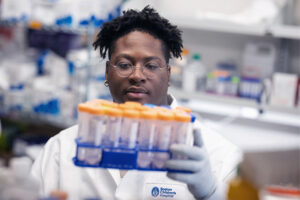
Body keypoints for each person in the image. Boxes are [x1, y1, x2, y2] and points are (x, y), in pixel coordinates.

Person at [31, 6, 241, 200]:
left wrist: (211, 193)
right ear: (107, 72)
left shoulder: (217, 155)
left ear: (168, 75)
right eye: (124, 64)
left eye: (151, 66)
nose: (137, 75)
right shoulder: (62, 147)